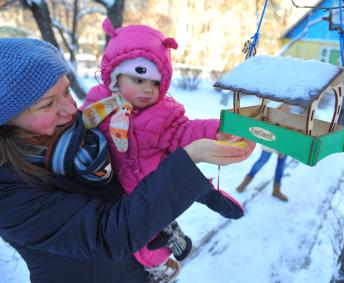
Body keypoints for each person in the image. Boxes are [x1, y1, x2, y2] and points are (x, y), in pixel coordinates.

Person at [0, 37, 255, 283]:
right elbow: (109, 233)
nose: (70, 108)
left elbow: (160, 133)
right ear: (7, 119)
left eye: (66, 91)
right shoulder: (8, 191)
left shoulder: (86, 128)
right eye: (47, 104)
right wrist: (190, 159)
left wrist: (218, 131)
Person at [79, 18, 249, 282]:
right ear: (115, 75)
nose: (149, 89)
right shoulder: (97, 105)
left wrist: (219, 130)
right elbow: (79, 127)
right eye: (139, 79)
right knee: (143, 240)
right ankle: (166, 247)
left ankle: (205, 207)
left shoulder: (164, 113)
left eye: (156, 83)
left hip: (154, 185)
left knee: (165, 225)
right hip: (117, 192)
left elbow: (185, 132)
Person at [236, 103, 290, 202]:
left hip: (284, 145)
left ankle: (276, 190)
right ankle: (245, 182)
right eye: (284, 105)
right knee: (261, 162)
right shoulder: (271, 110)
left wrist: (283, 147)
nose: (287, 107)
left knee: (281, 167)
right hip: (269, 142)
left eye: (287, 106)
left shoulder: (290, 114)